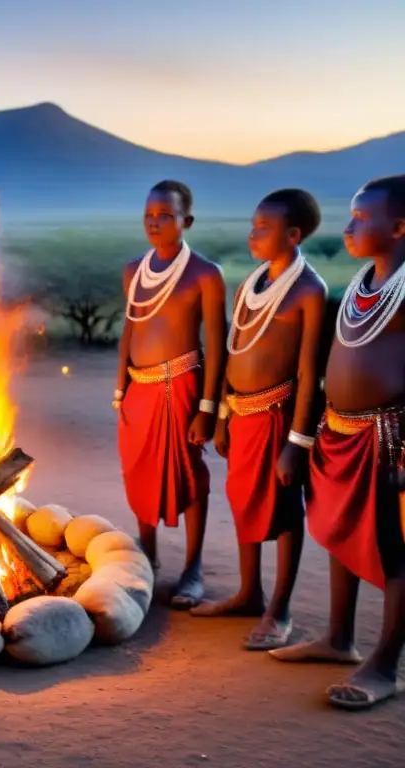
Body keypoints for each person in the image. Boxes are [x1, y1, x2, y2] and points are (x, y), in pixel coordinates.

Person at [270, 175, 405, 711]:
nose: (348, 228)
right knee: (339, 531)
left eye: (360, 218)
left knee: (395, 551)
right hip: (340, 432)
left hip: (388, 438)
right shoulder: (362, 285)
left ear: (399, 227)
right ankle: (339, 638)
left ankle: (385, 665)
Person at [191, 189, 328, 652]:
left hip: (279, 417)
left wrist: (298, 441)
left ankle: (280, 609)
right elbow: (234, 350)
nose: (252, 234)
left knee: (285, 510)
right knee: (245, 502)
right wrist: (225, 415)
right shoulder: (252, 283)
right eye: (252, 225)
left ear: (292, 235)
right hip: (244, 416)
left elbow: (310, 372)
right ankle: (251, 594)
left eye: (263, 228)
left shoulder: (309, 290)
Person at [115, 180, 227, 608]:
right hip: (138, 391)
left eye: (165, 215)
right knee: (138, 471)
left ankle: (193, 568)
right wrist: (120, 387)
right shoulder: (133, 270)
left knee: (190, 474)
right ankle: (148, 559)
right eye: (149, 215)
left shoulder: (205, 274)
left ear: (187, 221)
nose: (154, 222)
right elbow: (130, 328)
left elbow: (216, 344)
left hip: (182, 387)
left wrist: (208, 408)